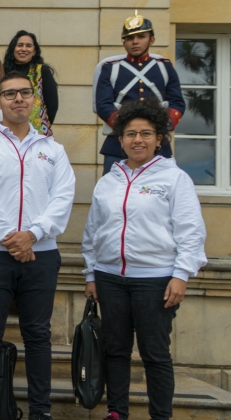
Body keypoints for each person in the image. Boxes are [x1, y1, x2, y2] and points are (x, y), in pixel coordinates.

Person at [0, 72, 75, 420]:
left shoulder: (53, 149)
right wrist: (12, 237)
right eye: (10, 94)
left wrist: (33, 234)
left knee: (38, 335)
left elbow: (63, 198)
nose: (19, 99)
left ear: (34, 99)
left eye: (25, 93)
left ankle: (41, 411)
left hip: (41, 253)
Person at [81, 100, 205, 420]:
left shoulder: (175, 179)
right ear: (119, 140)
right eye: (130, 133)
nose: (138, 140)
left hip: (156, 280)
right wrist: (91, 274)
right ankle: (117, 412)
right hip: (110, 279)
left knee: (155, 354)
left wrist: (181, 274)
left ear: (159, 138)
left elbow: (191, 231)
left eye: (146, 133)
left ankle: (160, 416)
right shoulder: (109, 180)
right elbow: (93, 230)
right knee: (116, 351)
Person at [94, 11, 184, 174]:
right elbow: (103, 105)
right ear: (124, 42)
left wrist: (158, 127)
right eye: (129, 38)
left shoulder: (164, 67)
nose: (135, 42)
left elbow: (177, 104)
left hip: (158, 144)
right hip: (118, 144)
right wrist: (127, 128)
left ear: (152, 39)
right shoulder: (110, 68)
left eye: (141, 36)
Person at [3, 30, 58, 136]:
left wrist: (41, 124)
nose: (24, 49)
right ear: (13, 49)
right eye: (20, 45)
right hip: (8, 131)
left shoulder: (42, 71)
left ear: (34, 51)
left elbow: (52, 106)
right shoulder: (3, 71)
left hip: (37, 132)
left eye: (28, 46)